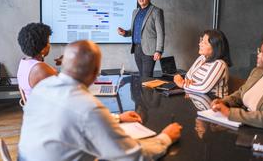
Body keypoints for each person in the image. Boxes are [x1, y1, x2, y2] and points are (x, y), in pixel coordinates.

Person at [18, 40, 182, 161]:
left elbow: (69, 119)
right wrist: (165, 137)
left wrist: (117, 118)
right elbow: (132, 156)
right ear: (96, 72)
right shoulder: (88, 108)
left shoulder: (42, 87)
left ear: (63, 63)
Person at [118, 0, 165, 78]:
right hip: (137, 49)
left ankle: (148, 92)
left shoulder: (156, 11)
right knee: (142, 76)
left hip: (149, 50)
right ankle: (145, 92)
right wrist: (125, 33)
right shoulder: (135, 12)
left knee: (147, 78)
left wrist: (158, 50)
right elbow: (135, 30)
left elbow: (160, 33)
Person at [174, 30, 232, 98]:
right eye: (201, 41)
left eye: (205, 43)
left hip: (215, 104)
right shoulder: (202, 58)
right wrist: (188, 82)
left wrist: (182, 84)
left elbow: (203, 88)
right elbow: (187, 77)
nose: (200, 44)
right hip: (198, 99)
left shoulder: (219, 64)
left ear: (215, 47)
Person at [17, 23, 58, 100]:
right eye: (48, 42)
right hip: (46, 111)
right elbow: (65, 93)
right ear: (43, 49)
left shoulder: (24, 63)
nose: (49, 45)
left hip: (34, 109)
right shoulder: (40, 68)